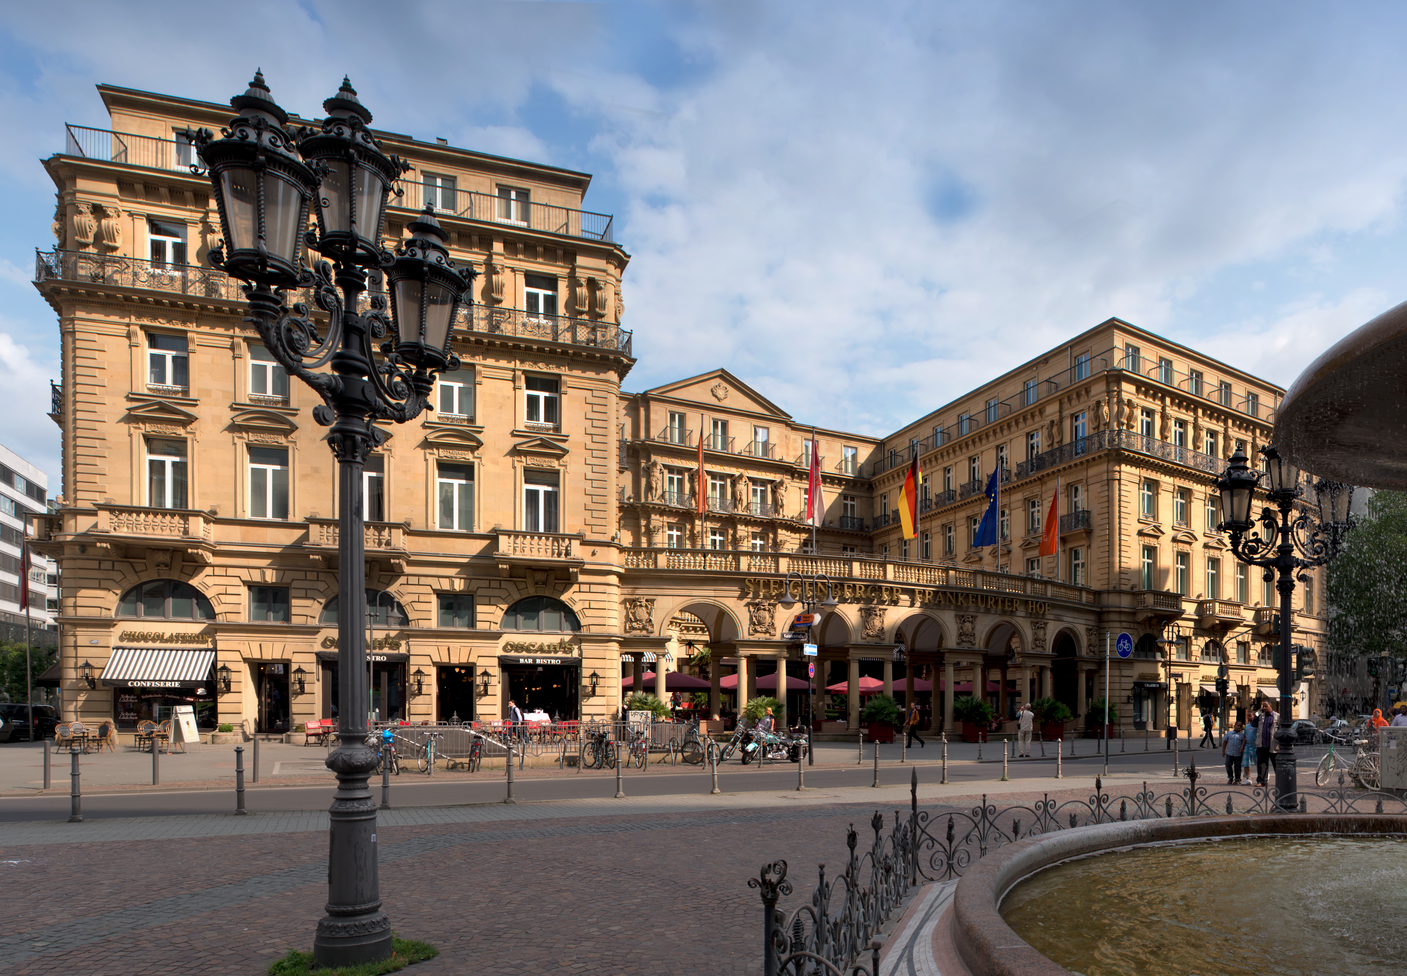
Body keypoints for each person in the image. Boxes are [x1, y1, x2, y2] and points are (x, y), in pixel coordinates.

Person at [1255, 700, 1279, 787]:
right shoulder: (1261, 716)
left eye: (1266, 706)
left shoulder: (1277, 716)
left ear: (1271, 706)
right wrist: (1258, 713)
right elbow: (1253, 724)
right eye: (1263, 706)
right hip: (1262, 744)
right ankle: (1261, 781)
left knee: (1276, 764)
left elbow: (1280, 729)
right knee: (1261, 764)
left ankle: (1280, 781)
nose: (1264, 708)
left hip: (1273, 744)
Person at [1222, 721, 1246, 785]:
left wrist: (1242, 748)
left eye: (1240, 726)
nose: (1239, 727)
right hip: (1229, 753)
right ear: (1234, 726)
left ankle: (1237, 779)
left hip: (1238, 754)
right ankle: (1230, 778)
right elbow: (1225, 742)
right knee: (1228, 765)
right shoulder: (1229, 733)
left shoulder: (1242, 735)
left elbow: (1243, 743)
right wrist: (1223, 751)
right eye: (1237, 725)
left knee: (1237, 767)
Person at [1242, 712, 1257, 783]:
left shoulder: (1257, 725)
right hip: (1247, 746)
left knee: (1258, 763)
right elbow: (1245, 737)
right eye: (1247, 716)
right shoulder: (1247, 726)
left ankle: (1263, 776)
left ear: (1254, 717)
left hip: (1256, 746)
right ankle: (1248, 778)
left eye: (1250, 716)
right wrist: (1242, 746)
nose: (1248, 718)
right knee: (1246, 763)